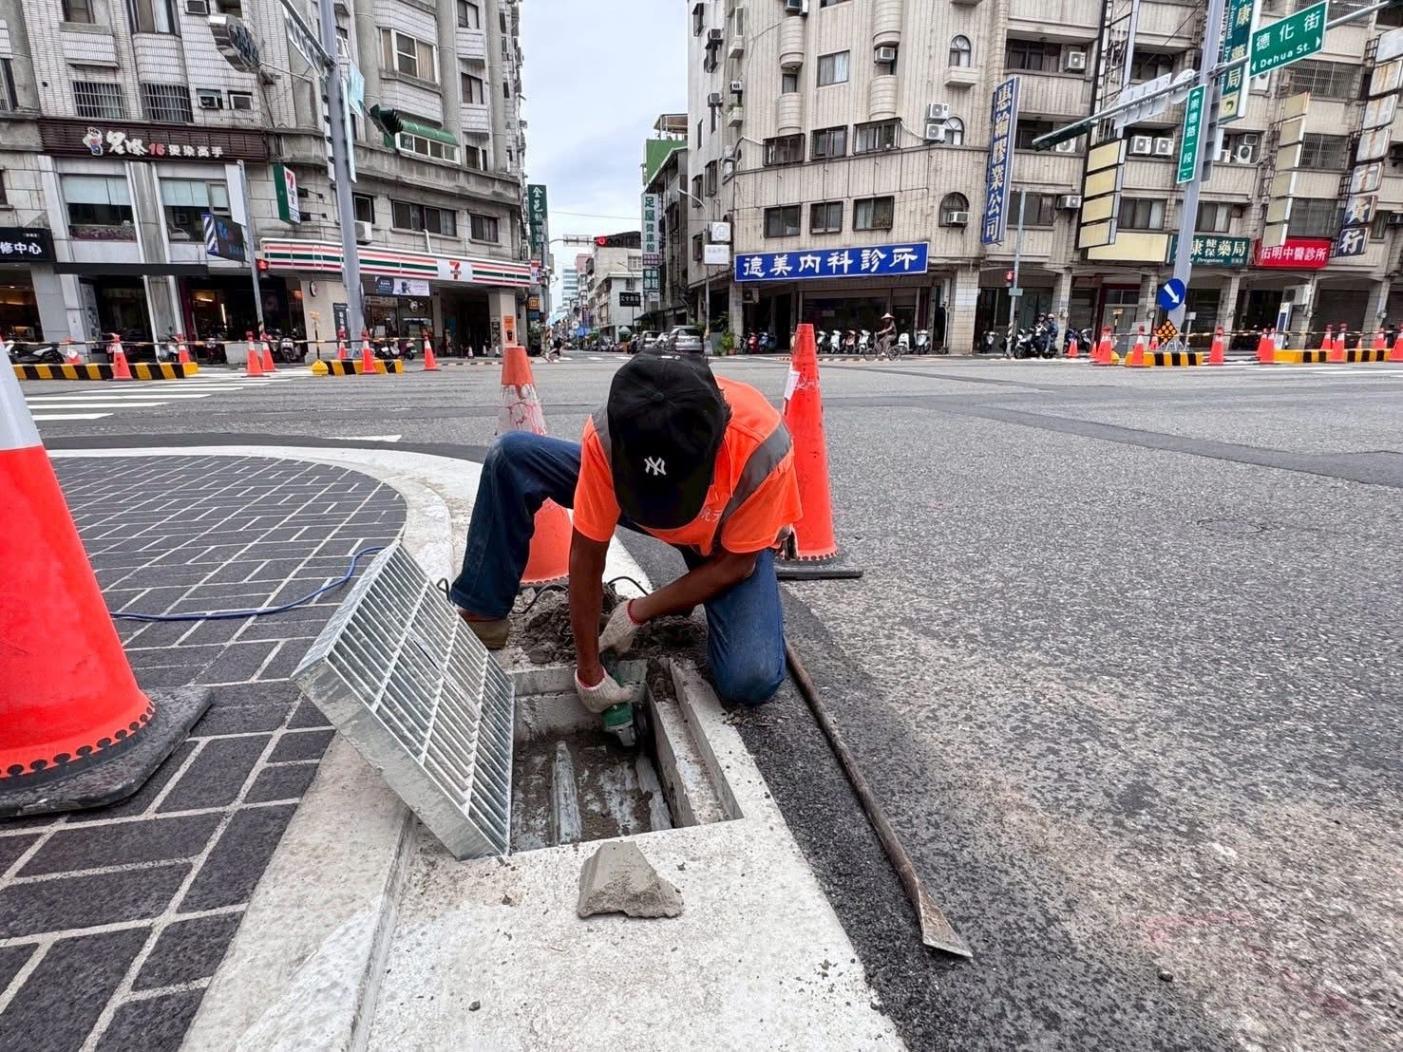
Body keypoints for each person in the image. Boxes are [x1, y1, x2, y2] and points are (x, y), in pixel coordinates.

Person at [448, 352, 802, 712]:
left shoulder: (761, 448)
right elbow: (587, 554)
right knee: (512, 457)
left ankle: (696, 588)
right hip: (634, 489)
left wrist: (638, 611)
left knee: (749, 679)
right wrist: (589, 671)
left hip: (724, 542)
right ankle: (483, 609)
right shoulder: (614, 431)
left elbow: (736, 566)